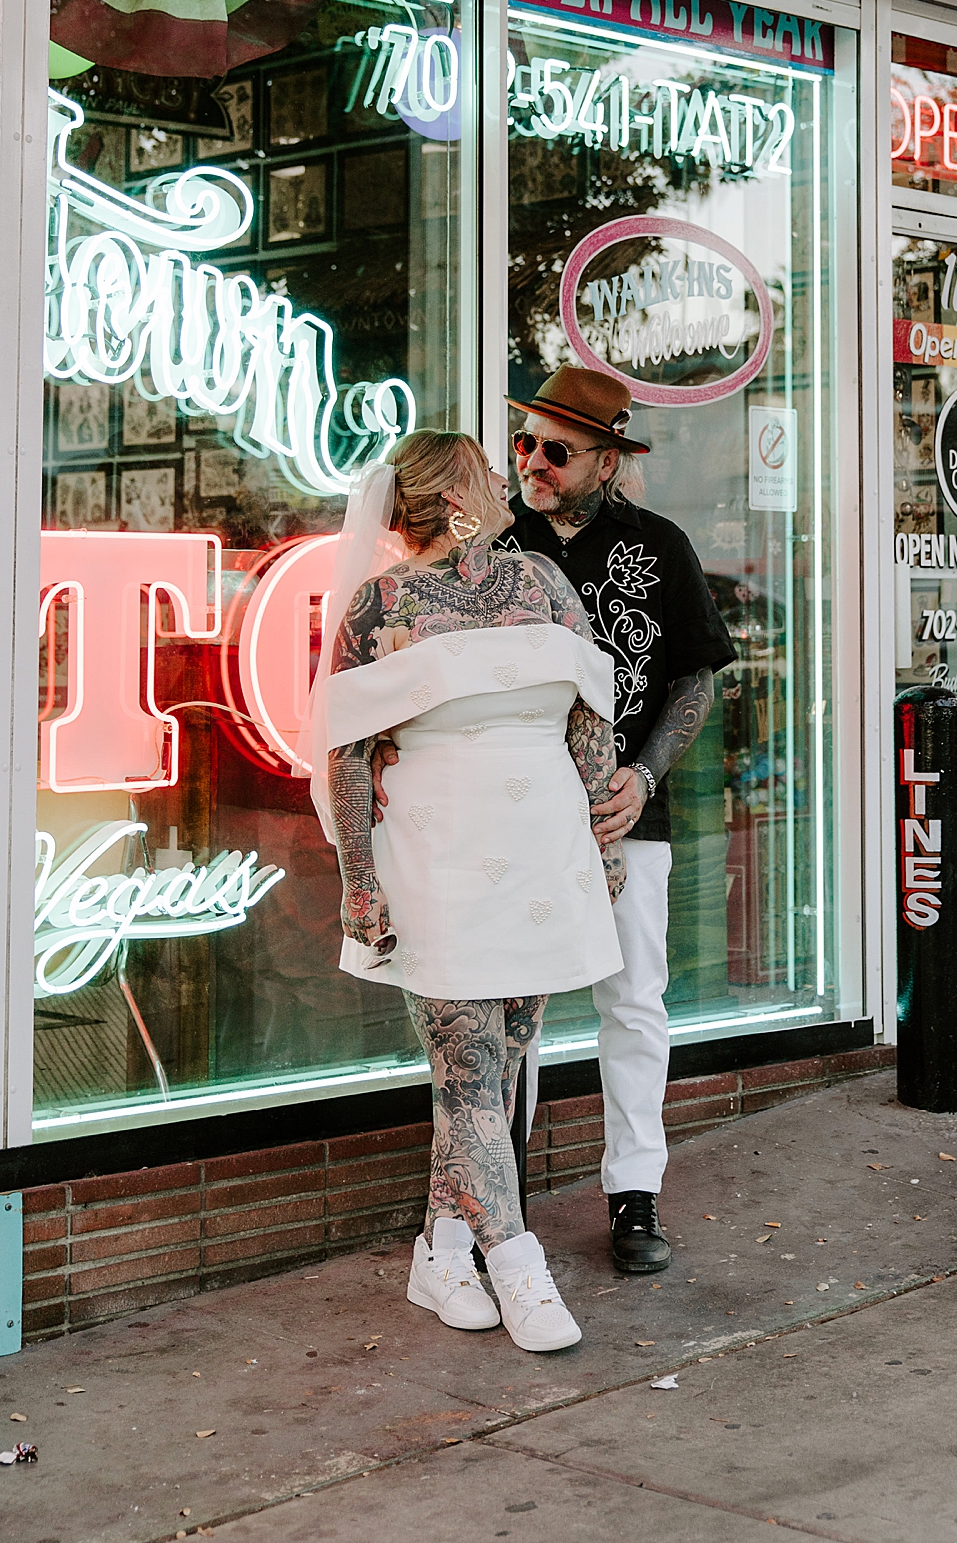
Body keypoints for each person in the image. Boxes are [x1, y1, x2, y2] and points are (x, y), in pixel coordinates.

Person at [312, 428, 626, 1354]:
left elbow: (587, 711)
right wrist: (357, 881)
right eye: (488, 468)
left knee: (503, 1063)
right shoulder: (378, 606)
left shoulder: (543, 584)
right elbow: (347, 752)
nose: (506, 477)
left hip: (539, 851)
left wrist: (604, 844)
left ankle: (441, 1249)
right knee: (467, 1067)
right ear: (453, 494)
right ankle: (517, 1263)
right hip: (435, 854)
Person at [506, 366, 737, 1275]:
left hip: (622, 817)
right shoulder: (491, 540)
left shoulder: (661, 546)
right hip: (511, 814)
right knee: (505, 1005)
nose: (532, 462)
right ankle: (498, 1194)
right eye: (524, 442)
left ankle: (634, 1193)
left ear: (608, 458)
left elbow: (696, 676)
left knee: (633, 1003)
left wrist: (644, 775)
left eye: (556, 450)